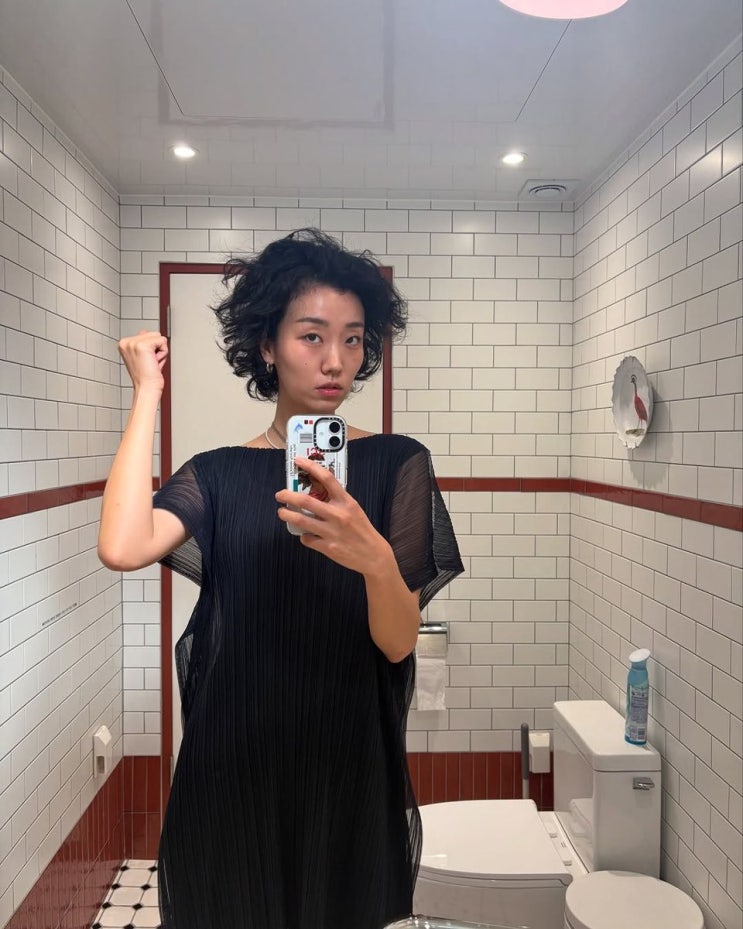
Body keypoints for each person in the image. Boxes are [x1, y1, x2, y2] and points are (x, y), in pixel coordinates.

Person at [97, 228, 464, 929]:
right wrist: (146, 393)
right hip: (232, 765)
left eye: (353, 339)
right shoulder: (217, 473)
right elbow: (121, 545)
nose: (336, 361)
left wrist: (373, 555)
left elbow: (396, 643)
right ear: (267, 345)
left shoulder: (398, 463)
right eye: (311, 336)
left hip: (347, 765)